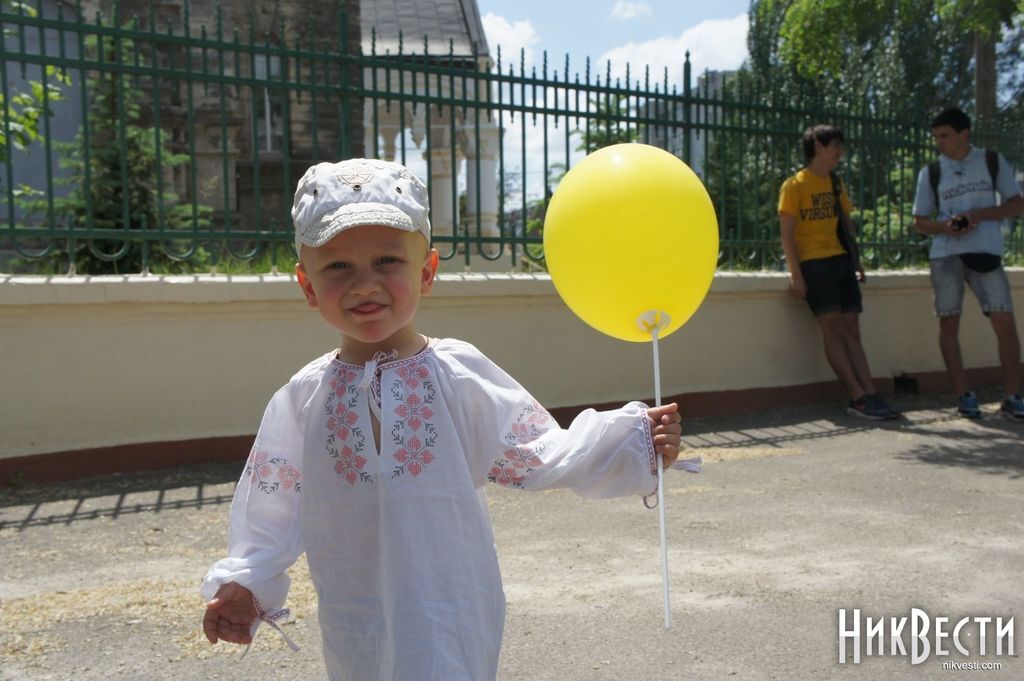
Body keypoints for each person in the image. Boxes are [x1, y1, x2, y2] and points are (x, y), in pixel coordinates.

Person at [200, 158, 687, 681]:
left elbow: (540, 453)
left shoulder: (459, 373)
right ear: (308, 285)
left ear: (427, 272)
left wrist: (635, 439)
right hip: (354, 617)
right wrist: (246, 584)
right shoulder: (304, 396)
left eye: (388, 261)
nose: (365, 284)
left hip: (449, 613)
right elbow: (272, 504)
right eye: (338, 266)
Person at [778, 124, 900, 420]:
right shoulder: (794, 186)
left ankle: (871, 393)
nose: (839, 152)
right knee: (831, 329)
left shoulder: (835, 182)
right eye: (835, 146)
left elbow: (845, 225)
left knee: (852, 330)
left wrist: (855, 260)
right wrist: (797, 274)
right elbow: (787, 234)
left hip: (841, 262)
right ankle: (857, 397)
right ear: (818, 146)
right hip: (814, 265)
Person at [912, 107, 1024, 420]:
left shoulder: (990, 161)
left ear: (964, 133)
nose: (940, 143)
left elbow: (1017, 203)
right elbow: (920, 222)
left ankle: (1013, 396)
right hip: (945, 254)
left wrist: (977, 216)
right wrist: (946, 226)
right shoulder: (931, 172)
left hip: (985, 250)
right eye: (936, 137)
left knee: (1004, 321)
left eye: (945, 136)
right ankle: (964, 395)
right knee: (949, 322)